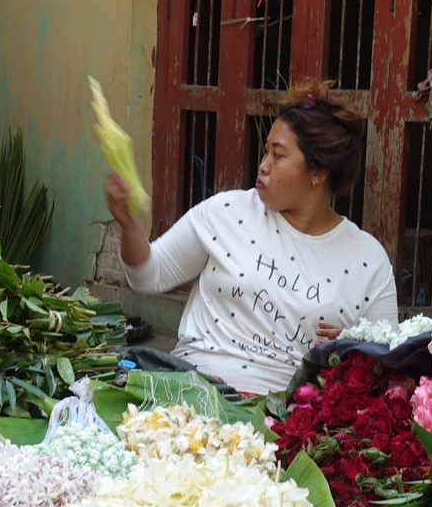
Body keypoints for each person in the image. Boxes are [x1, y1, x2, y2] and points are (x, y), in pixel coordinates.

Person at [107, 81, 398, 396]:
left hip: (280, 420)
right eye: (266, 150)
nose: (263, 165)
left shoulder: (368, 261)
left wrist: (354, 350)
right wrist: (130, 225)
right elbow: (148, 276)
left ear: (319, 171)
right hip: (188, 392)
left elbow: (390, 365)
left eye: (278, 155)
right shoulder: (227, 212)